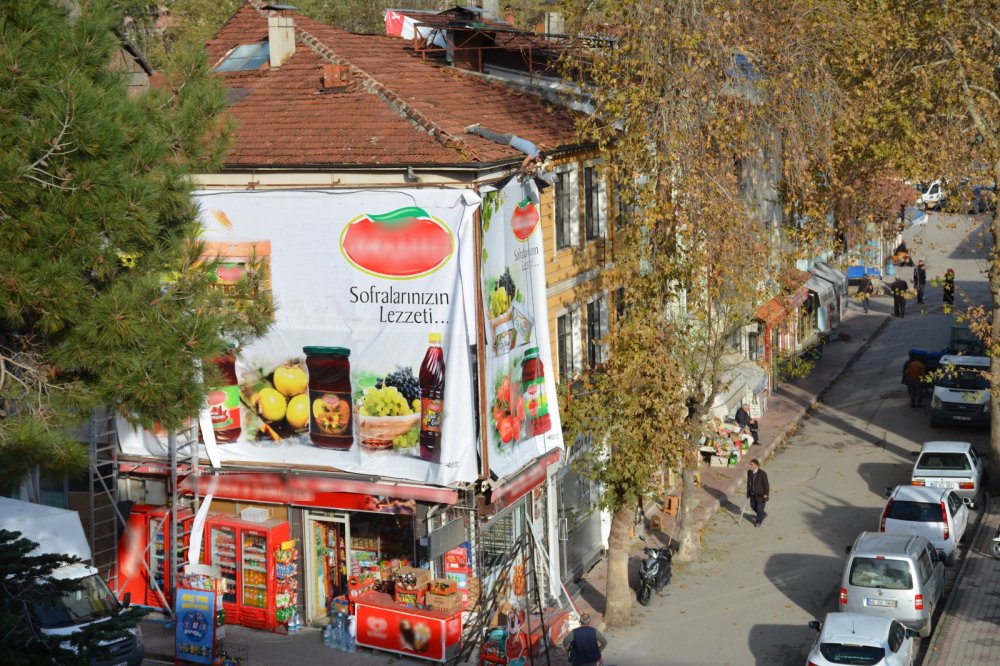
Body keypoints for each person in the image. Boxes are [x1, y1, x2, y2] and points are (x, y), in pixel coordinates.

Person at [746, 459, 770, 527]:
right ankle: (762, 514)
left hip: (761, 495)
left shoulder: (762, 473)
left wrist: (766, 494)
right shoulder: (749, 472)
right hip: (752, 494)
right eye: (750, 464)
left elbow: (766, 485)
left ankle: (758, 521)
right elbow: (749, 483)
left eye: (752, 464)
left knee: (759, 508)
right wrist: (748, 492)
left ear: (756, 465)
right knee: (753, 506)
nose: (750, 466)